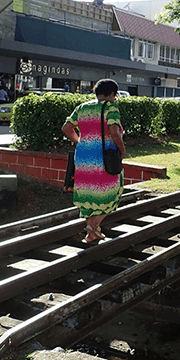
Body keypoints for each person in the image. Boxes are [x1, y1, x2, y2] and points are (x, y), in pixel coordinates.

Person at [61, 79, 127, 243]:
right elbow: (113, 131)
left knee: (89, 192)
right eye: (115, 95)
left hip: (83, 157)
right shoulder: (110, 107)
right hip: (103, 158)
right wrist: (122, 150)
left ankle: (92, 232)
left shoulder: (83, 107)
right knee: (113, 188)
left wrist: (81, 142)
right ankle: (93, 225)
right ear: (111, 94)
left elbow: (66, 128)